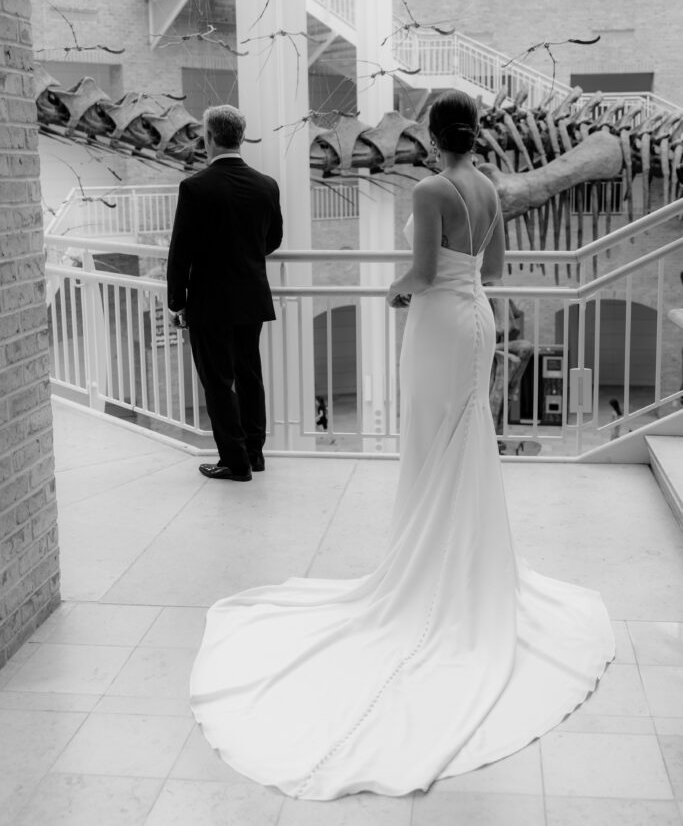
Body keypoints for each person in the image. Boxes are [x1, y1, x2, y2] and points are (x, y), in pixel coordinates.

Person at [189, 90, 614, 800]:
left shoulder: (432, 187)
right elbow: (497, 269)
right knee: (466, 435)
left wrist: (393, 292)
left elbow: (418, 273)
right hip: (476, 314)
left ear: (431, 134)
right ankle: (467, 565)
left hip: (438, 322)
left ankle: (426, 568)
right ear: (473, 134)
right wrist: (452, 276)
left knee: (427, 439)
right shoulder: (484, 186)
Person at [167, 104, 283, 481]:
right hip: (251, 297)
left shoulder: (195, 187)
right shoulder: (267, 184)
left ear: (209, 137)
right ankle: (255, 453)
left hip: (209, 302)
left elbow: (179, 251)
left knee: (218, 382)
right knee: (250, 376)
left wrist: (176, 302)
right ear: (240, 137)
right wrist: (245, 255)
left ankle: (235, 461)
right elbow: (274, 238)